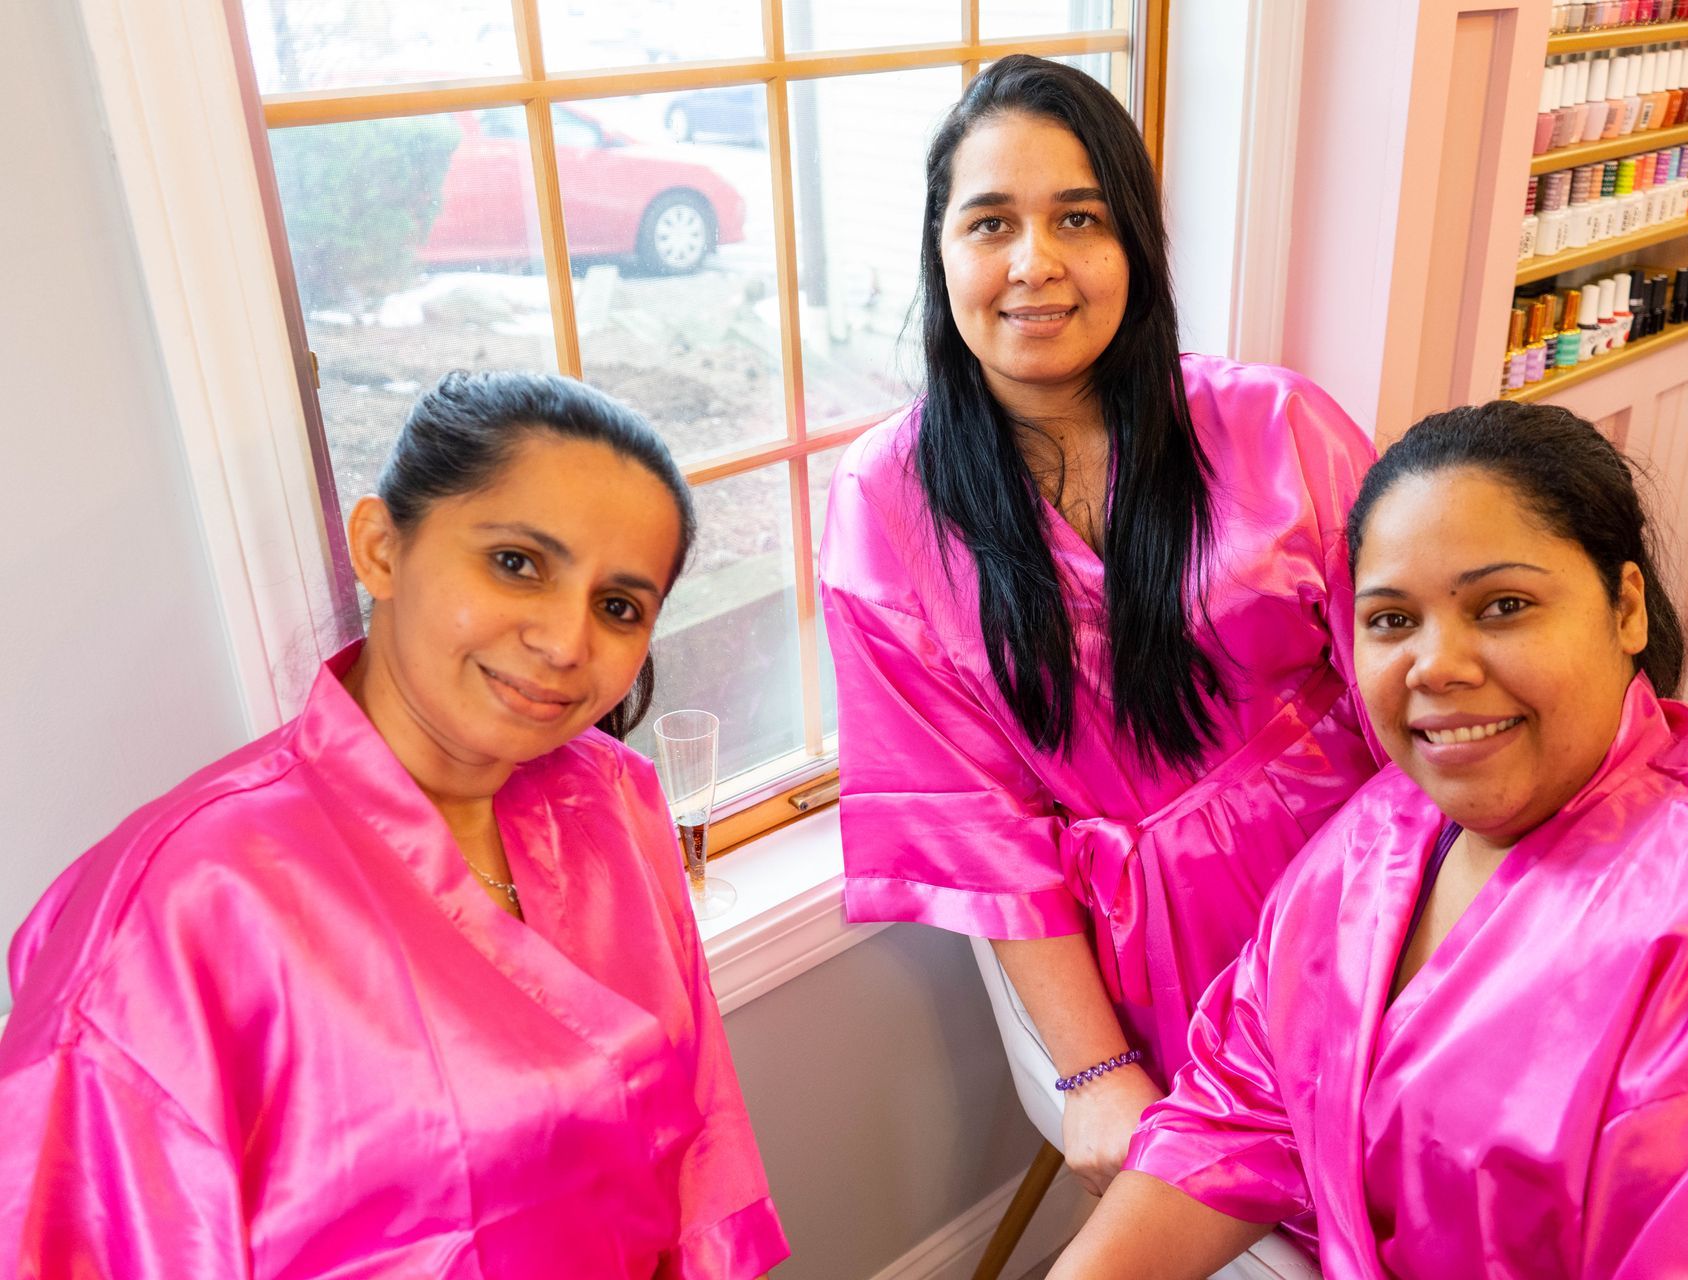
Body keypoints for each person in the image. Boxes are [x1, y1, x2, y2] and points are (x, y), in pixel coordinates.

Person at [1049, 401, 1688, 1278]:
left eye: (1503, 605)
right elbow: (1242, 1106)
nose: (1438, 665)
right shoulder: (1377, 839)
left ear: (1625, 608)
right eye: (1392, 620)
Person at [0, 373, 789, 1278]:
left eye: (618, 607)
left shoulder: (613, 798)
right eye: (517, 562)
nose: (567, 643)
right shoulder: (179, 905)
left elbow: (698, 1145)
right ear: (380, 548)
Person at [818, 55, 1379, 1193]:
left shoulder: (1279, 422)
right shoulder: (884, 503)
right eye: (990, 223)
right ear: (941, 253)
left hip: (1371, 881)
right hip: (1158, 956)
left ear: (1134, 243)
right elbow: (975, 819)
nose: (1036, 265)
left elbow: (1411, 686)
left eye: (1079, 217)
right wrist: (1094, 1069)